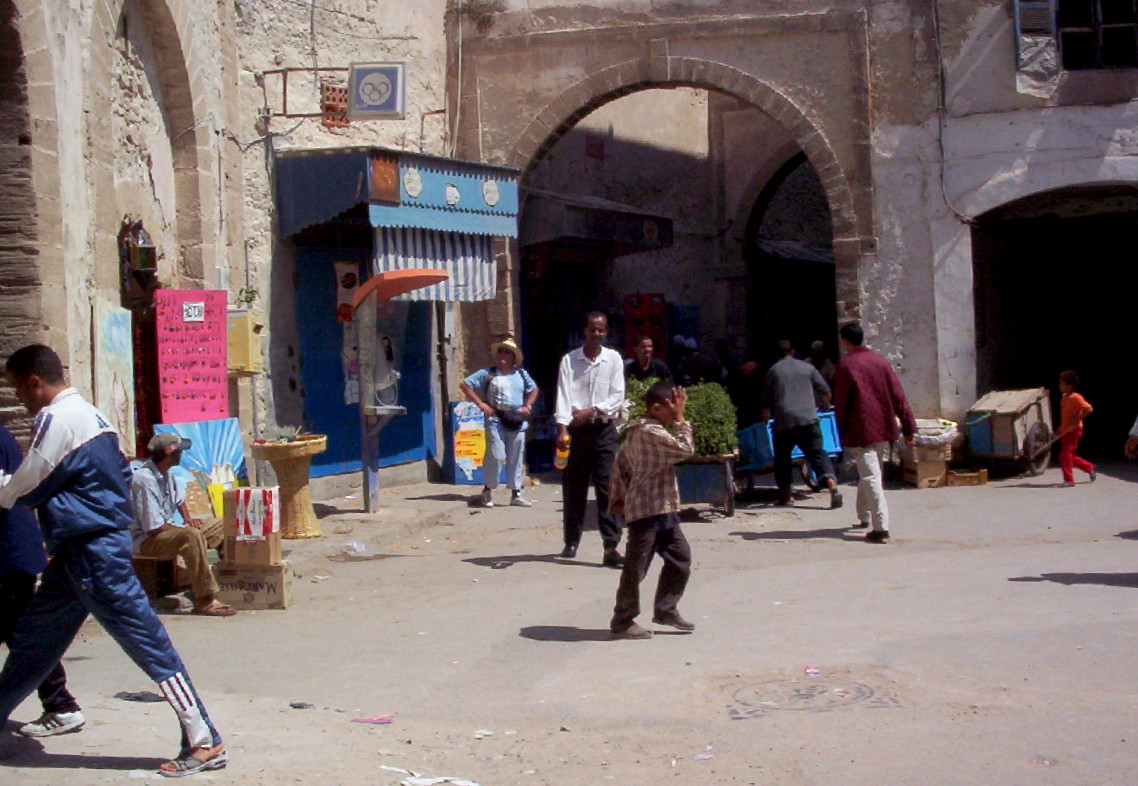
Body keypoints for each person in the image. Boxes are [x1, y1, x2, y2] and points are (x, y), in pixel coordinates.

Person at [0, 344, 226, 777]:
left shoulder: (56, 418)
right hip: (77, 554)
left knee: (148, 645)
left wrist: (5, 489)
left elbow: (30, 482)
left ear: (33, 382)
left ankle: (205, 740)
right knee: (32, 643)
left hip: (93, 554)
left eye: (19, 390)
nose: (20, 401)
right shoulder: (95, 417)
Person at [0, 423, 85, 738]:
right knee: (24, 635)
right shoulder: (4, 434)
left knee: (27, 637)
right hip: (15, 551)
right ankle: (60, 703)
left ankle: (61, 704)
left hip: (9, 555)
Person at [608, 381, 695, 640]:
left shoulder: (640, 430)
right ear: (656, 408)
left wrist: (620, 499)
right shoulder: (650, 433)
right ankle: (622, 620)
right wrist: (681, 420)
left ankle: (666, 609)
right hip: (647, 510)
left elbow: (620, 465)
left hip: (663, 506)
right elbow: (686, 449)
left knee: (680, 557)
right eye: (673, 407)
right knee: (636, 567)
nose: (677, 412)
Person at [131, 432, 235, 616]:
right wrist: (184, 528)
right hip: (148, 541)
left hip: (167, 531)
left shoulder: (167, 474)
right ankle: (205, 599)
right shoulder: (143, 480)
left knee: (222, 524)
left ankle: (230, 580)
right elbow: (154, 527)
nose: (182, 455)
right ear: (169, 454)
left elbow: (179, 499)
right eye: (179, 452)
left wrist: (188, 519)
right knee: (190, 535)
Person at [831, 323, 916, 543]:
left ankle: (881, 527)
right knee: (869, 472)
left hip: (861, 429)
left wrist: (841, 432)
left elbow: (841, 402)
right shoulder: (880, 362)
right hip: (883, 428)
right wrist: (908, 428)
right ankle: (863, 515)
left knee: (870, 476)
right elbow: (899, 396)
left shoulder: (847, 365)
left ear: (845, 341)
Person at [555, 312, 625, 566]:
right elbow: (563, 395)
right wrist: (562, 428)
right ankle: (571, 540)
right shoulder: (570, 361)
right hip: (576, 431)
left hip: (604, 429)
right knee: (575, 487)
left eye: (601, 330)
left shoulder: (613, 359)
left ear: (606, 333)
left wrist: (592, 411)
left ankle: (611, 546)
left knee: (608, 488)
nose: (597, 334)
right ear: (584, 331)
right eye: (593, 329)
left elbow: (618, 395)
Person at [761, 340, 843, 509]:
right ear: (793, 352)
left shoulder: (773, 371)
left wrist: (766, 414)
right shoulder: (808, 368)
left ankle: (787, 496)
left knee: (783, 459)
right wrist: (825, 405)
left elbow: (766, 400)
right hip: (808, 419)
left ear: (776, 355)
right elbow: (826, 391)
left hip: (784, 422)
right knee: (817, 453)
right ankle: (831, 483)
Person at [458, 337, 539, 508]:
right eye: (500, 351)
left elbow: (534, 389)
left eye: (507, 352)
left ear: (513, 356)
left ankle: (516, 493)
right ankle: (488, 490)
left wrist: (528, 406)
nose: (503, 355)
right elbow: (465, 385)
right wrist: (481, 404)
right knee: (496, 455)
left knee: (516, 456)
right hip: (495, 419)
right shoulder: (488, 373)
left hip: (516, 420)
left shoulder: (521, 374)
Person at [1055, 370, 1095, 487]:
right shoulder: (1064, 398)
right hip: (1065, 431)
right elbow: (1065, 417)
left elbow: (1089, 409)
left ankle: (1069, 480)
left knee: (1065, 455)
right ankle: (1089, 467)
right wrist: (1059, 429)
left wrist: (1078, 419)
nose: (1060, 386)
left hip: (1074, 431)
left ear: (1070, 386)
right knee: (1069, 455)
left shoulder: (1076, 397)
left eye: (1062, 384)